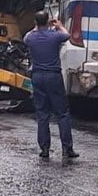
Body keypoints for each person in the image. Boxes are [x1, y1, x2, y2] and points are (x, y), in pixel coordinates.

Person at [24, 11, 78, 159]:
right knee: (62, 113)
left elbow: (26, 36)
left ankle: (45, 149)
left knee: (42, 114)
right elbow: (67, 35)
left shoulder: (30, 37)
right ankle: (67, 148)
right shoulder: (55, 36)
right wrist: (59, 25)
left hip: (37, 76)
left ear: (35, 22)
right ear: (48, 21)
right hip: (53, 76)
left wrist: (37, 26)